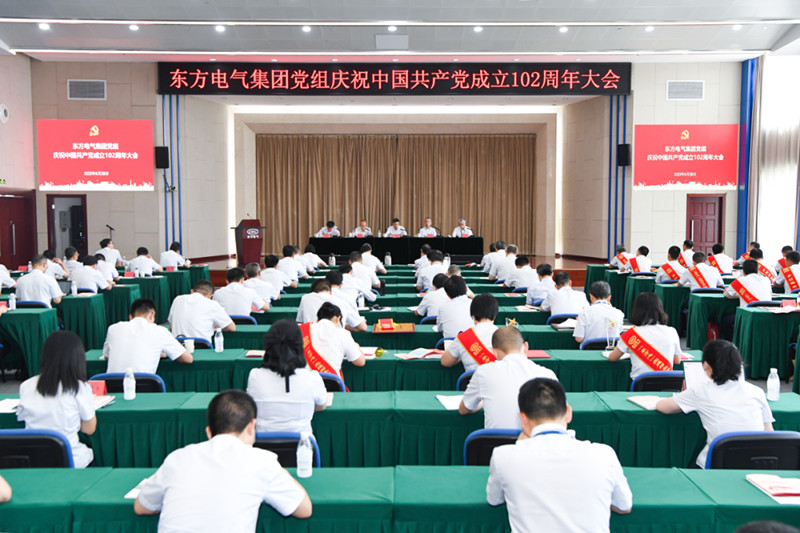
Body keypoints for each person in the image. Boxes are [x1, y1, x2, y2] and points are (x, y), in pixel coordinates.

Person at [134, 390, 312, 530]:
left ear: (209, 432)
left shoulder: (177, 458)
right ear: (251, 426)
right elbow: (304, 509)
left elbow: (141, 507)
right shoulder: (261, 461)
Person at [487, 378, 632, 531]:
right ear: (568, 413)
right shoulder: (604, 454)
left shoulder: (503, 456)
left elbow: (494, 500)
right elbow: (624, 506)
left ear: (523, 419)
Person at [656, 340, 774, 468]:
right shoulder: (757, 391)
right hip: (754, 463)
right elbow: (768, 431)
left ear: (706, 366)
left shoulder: (701, 390)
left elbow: (663, 407)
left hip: (717, 464)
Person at [18, 330, 97, 469]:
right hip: (71, 460)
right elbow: (89, 429)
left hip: (34, 461)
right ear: (78, 358)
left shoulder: (26, 385)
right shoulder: (79, 387)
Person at [460, 326, 558, 428]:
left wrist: (482, 403)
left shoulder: (483, 372)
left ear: (495, 352)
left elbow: (464, 408)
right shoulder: (548, 375)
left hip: (495, 438)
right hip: (534, 437)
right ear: (526, 346)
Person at [247, 319, 327, 434]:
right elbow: (321, 405)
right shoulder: (312, 378)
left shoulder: (254, 376)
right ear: (299, 347)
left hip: (262, 444)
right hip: (301, 444)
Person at [103, 298, 193, 373]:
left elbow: (107, 356)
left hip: (111, 384)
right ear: (152, 315)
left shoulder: (113, 328)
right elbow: (188, 359)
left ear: (131, 317)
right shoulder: (160, 331)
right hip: (144, 385)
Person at [608, 292, 682, 379]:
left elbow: (612, 358)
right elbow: (677, 361)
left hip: (641, 385)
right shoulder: (672, 331)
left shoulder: (630, 334)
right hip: (668, 384)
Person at [301, 302, 366, 377]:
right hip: (331, 382)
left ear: (317, 320)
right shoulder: (343, 333)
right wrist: (357, 346)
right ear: (338, 319)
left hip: (306, 381)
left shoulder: (303, 330)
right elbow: (360, 362)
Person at [441, 294, 499, 371]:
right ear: (495, 315)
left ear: (473, 316)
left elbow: (445, 362)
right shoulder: (504, 336)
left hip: (472, 378)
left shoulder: (463, 337)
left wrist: (462, 354)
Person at [169, 280, 235, 342]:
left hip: (178, 345)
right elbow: (231, 328)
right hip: (202, 346)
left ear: (192, 291)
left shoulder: (178, 299)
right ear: (210, 296)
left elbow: (171, 324)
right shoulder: (212, 304)